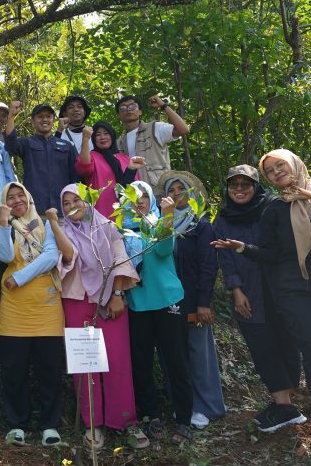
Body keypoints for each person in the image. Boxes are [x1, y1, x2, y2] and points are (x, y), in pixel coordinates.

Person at [213, 150, 311, 465]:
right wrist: (243, 248)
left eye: (279, 165)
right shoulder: (275, 210)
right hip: (295, 292)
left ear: (295, 164)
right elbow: (270, 253)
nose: (276, 172)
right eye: (269, 170)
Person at [212, 165, 304, 433]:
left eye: (245, 184)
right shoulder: (225, 218)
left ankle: (286, 403)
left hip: (282, 288)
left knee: (287, 342)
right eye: (234, 185)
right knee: (262, 345)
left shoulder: (272, 207)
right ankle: (283, 405)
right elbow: (226, 258)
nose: (239, 190)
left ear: (256, 186)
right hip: (249, 291)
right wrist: (236, 290)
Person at [55, 184, 148, 450]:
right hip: (76, 300)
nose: (72, 206)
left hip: (111, 300)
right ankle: (92, 423)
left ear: (89, 200)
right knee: (85, 363)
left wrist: (118, 293)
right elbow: (65, 260)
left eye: (77, 200)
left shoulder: (106, 226)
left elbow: (120, 259)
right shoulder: (62, 230)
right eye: (66, 202)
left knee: (118, 361)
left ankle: (126, 421)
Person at [0, 182, 64, 447]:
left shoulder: (46, 223)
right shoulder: (4, 228)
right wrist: (2, 224)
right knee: (14, 371)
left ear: (29, 197)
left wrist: (21, 277)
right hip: (12, 310)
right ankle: (17, 424)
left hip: (47, 308)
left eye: (20, 194)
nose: (16, 199)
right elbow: (4, 254)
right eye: (9, 197)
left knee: (50, 369)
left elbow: (51, 256)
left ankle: (50, 425)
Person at [122, 181, 195, 444]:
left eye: (143, 196)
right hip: (137, 303)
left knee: (176, 360)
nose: (138, 201)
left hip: (167, 301)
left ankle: (184, 419)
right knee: (141, 363)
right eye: (132, 197)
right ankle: (150, 415)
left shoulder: (158, 222)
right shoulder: (121, 228)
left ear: (151, 199)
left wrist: (166, 217)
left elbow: (164, 250)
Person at [158, 171, 226, 429]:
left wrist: (203, 303)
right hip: (166, 301)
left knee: (198, 353)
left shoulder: (201, 225)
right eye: (171, 191)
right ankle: (183, 406)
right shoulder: (159, 225)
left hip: (193, 299)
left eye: (181, 189)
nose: (176, 194)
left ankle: (205, 406)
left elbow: (208, 266)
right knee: (174, 355)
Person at [2, 102, 76, 214]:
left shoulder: (67, 146)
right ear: (32, 121)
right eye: (40, 117)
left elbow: (75, 177)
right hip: (35, 211)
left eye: (48, 116)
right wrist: (11, 115)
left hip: (63, 211)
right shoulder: (26, 143)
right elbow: (10, 145)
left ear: (53, 120)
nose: (44, 119)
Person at [114, 94, 190, 185]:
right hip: (134, 193)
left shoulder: (154, 128)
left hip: (158, 191)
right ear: (118, 115)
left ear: (140, 111)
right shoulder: (119, 143)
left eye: (133, 106)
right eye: (123, 108)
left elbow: (183, 129)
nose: (128, 109)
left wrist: (163, 105)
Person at [75, 123, 144, 220]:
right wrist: (85, 139)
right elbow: (84, 167)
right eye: (98, 135)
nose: (102, 137)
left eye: (106, 133)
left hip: (127, 214)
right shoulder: (92, 157)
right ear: (94, 138)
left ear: (112, 135)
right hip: (102, 212)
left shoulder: (125, 159)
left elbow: (135, 186)